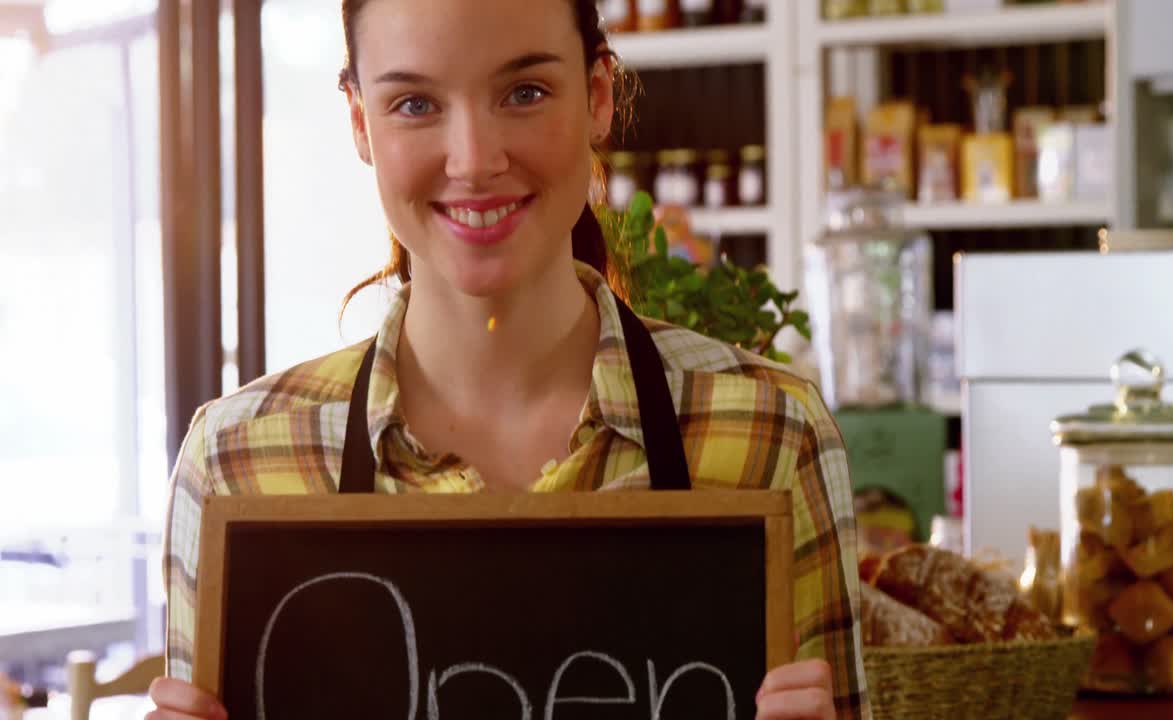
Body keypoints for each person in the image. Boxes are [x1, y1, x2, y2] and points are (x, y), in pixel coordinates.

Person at [147, 1, 869, 718]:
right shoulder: (234, 463)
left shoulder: (775, 435)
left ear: (597, 97)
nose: (474, 160)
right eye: (414, 102)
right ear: (361, 122)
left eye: (524, 93)